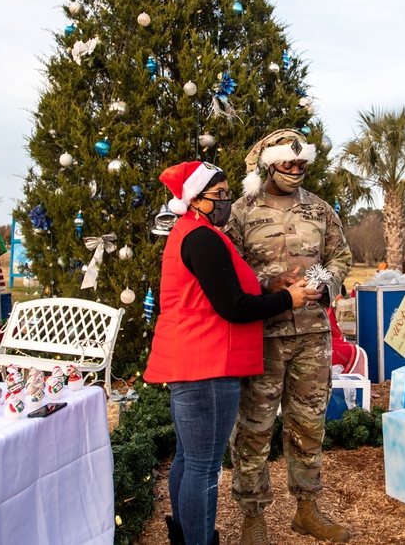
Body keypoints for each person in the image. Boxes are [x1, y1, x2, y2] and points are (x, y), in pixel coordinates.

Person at [144, 161, 322, 545]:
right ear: (195, 199)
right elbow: (234, 306)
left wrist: (272, 283)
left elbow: (225, 288)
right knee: (204, 468)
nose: (227, 201)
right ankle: (199, 540)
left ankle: (186, 536)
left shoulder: (195, 232)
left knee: (188, 459)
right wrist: (286, 299)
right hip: (206, 364)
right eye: (219, 195)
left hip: (192, 360)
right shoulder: (202, 238)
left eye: (227, 192)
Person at [226, 129, 353, 544]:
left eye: (303, 163)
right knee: (255, 427)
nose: (297, 169)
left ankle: (306, 509)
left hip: (312, 336)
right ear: (269, 162)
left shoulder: (319, 210)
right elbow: (231, 266)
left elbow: (340, 255)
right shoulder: (241, 212)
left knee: (308, 424)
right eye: (289, 162)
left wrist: (319, 281)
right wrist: (269, 281)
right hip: (262, 335)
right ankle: (252, 517)